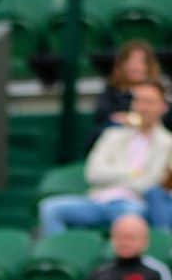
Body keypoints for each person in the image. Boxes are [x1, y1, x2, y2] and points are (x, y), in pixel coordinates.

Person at [38, 81, 172, 236]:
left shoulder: (168, 142)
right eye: (138, 101)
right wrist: (132, 173)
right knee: (50, 209)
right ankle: (58, 257)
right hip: (98, 199)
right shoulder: (112, 135)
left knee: (128, 215)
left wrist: (114, 176)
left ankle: (116, 259)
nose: (142, 107)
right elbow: (93, 174)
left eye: (148, 102)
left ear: (163, 107)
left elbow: (149, 182)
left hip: (134, 203)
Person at [87, 40, 163, 150]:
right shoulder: (111, 92)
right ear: (122, 65)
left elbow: (160, 122)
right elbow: (104, 120)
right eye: (131, 61)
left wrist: (131, 119)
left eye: (141, 62)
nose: (135, 66)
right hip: (115, 150)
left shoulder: (157, 90)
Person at [85, 213, 172, 280]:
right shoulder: (99, 273)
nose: (125, 243)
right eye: (119, 236)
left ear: (145, 241)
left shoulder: (158, 272)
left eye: (131, 237)